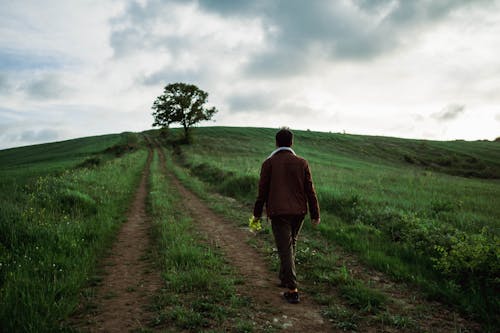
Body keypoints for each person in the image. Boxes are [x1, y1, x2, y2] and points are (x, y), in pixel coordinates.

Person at [253, 128, 320, 304]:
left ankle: (292, 289)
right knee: (290, 245)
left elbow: (262, 192)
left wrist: (256, 215)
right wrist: (315, 213)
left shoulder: (269, 163)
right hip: (299, 212)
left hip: (279, 212)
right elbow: (310, 191)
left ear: (276, 142)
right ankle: (284, 278)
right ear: (291, 143)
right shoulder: (302, 162)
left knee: (285, 248)